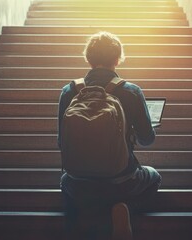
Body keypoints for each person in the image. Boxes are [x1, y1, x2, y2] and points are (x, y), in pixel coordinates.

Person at [58, 31, 162, 239]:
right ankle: (124, 208)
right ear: (117, 59)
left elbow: (62, 142)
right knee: (154, 177)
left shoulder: (69, 91)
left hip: (79, 181)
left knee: (64, 183)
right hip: (121, 179)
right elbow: (146, 139)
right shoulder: (131, 91)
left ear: (88, 59)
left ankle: (88, 213)